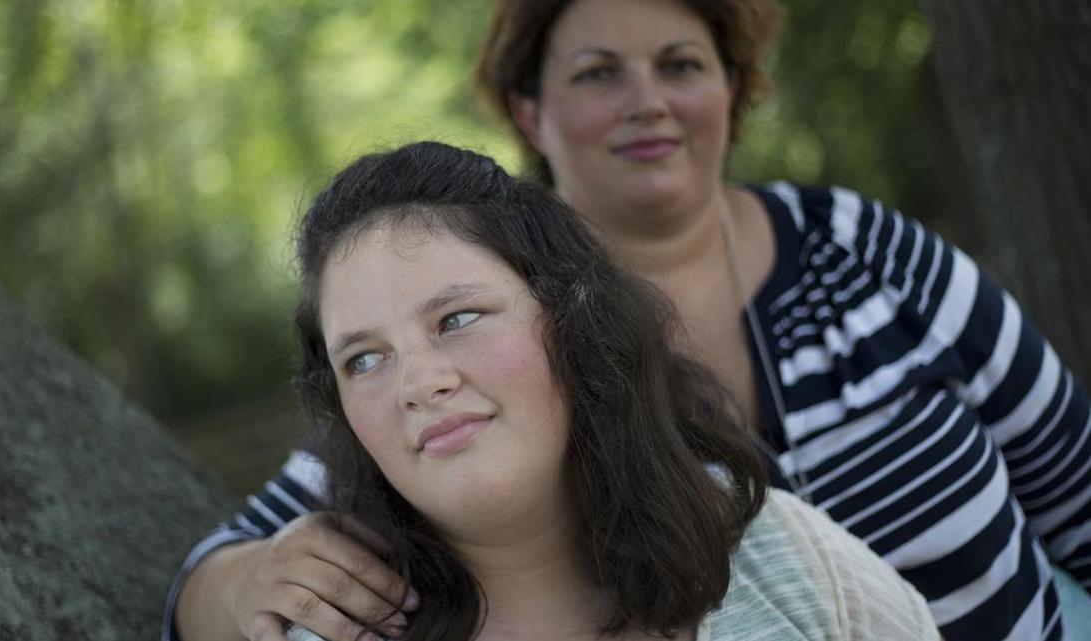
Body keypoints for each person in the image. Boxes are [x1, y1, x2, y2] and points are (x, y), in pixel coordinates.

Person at [166, 1, 1091, 640]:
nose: (647, 99)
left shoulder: (864, 253)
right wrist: (238, 583)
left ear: (733, 88)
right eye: (599, 72)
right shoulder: (438, 365)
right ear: (531, 110)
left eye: (680, 65)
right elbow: (244, 553)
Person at [298, 140, 937, 641]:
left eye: (457, 320)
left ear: (571, 321)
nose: (418, 384)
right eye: (364, 359)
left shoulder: (781, 557)